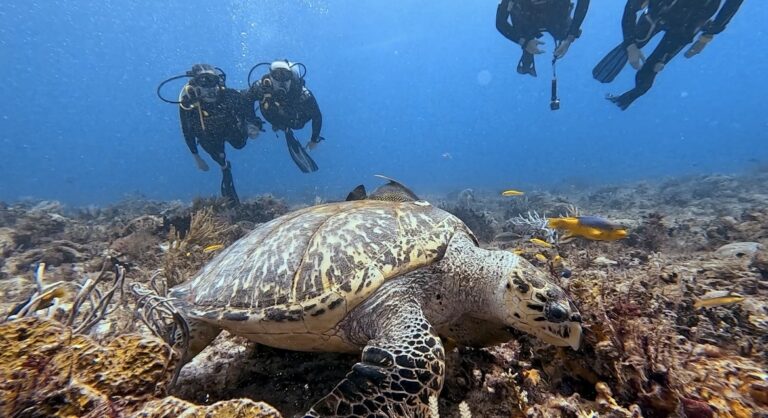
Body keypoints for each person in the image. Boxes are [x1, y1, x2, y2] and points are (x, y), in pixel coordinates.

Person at [593, 0, 744, 110]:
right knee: (645, 49)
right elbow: (631, 7)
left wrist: (707, 36)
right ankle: (633, 92)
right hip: (666, 15)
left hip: (685, 23)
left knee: (652, 66)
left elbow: (732, 4)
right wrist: (630, 43)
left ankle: (630, 96)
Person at [162, 64, 263, 206]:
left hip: (231, 129)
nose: (210, 88)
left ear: (219, 81)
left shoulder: (229, 95)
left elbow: (247, 100)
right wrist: (196, 156)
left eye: (213, 81)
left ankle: (226, 160)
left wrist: (252, 125)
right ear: (194, 84)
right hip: (208, 136)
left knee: (240, 144)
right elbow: (187, 131)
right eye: (203, 82)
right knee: (218, 157)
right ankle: (224, 168)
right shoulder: (188, 103)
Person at [245, 60, 324, 173]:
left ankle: (283, 126)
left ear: (291, 77)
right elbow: (247, 100)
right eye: (276, 76)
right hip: (270, 114)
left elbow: (317, 116)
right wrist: (252, 120)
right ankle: (280, 125)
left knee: (297, 121)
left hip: (294, 120)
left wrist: (314, 139)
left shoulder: (302, 93)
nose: (281, 81)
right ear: (270, 76)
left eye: (286, 76)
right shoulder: (261, 87)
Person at [496, 0, 590, 77]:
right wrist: (523, 42)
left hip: (555, 14)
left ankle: (564, 33)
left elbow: (583, 2)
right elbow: (500, 22)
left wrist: (570, 37)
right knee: (518, 14)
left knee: (561, 29)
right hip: (528, 18)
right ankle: (527, 49)